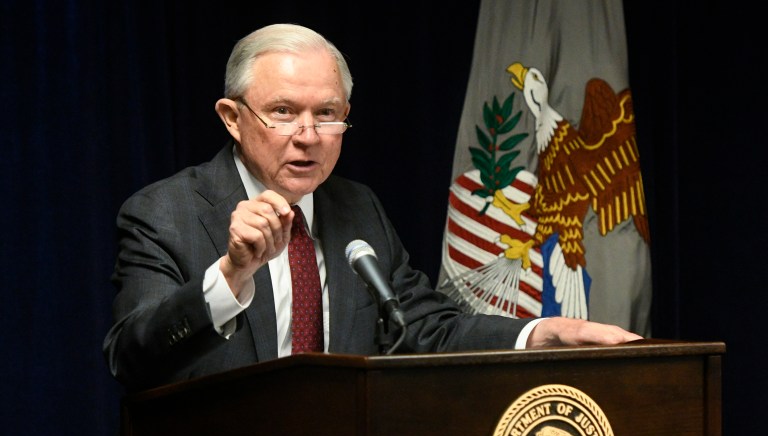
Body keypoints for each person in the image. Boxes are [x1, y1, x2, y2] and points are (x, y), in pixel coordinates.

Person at [103, 23, 642, 392]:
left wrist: (540, 333)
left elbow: (424, 330)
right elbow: (131, 357)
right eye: (283, 112)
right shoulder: (165, 213)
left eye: (327, 114)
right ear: (232, 118)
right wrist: (231, 275)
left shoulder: (358, 209)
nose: (308, 135)